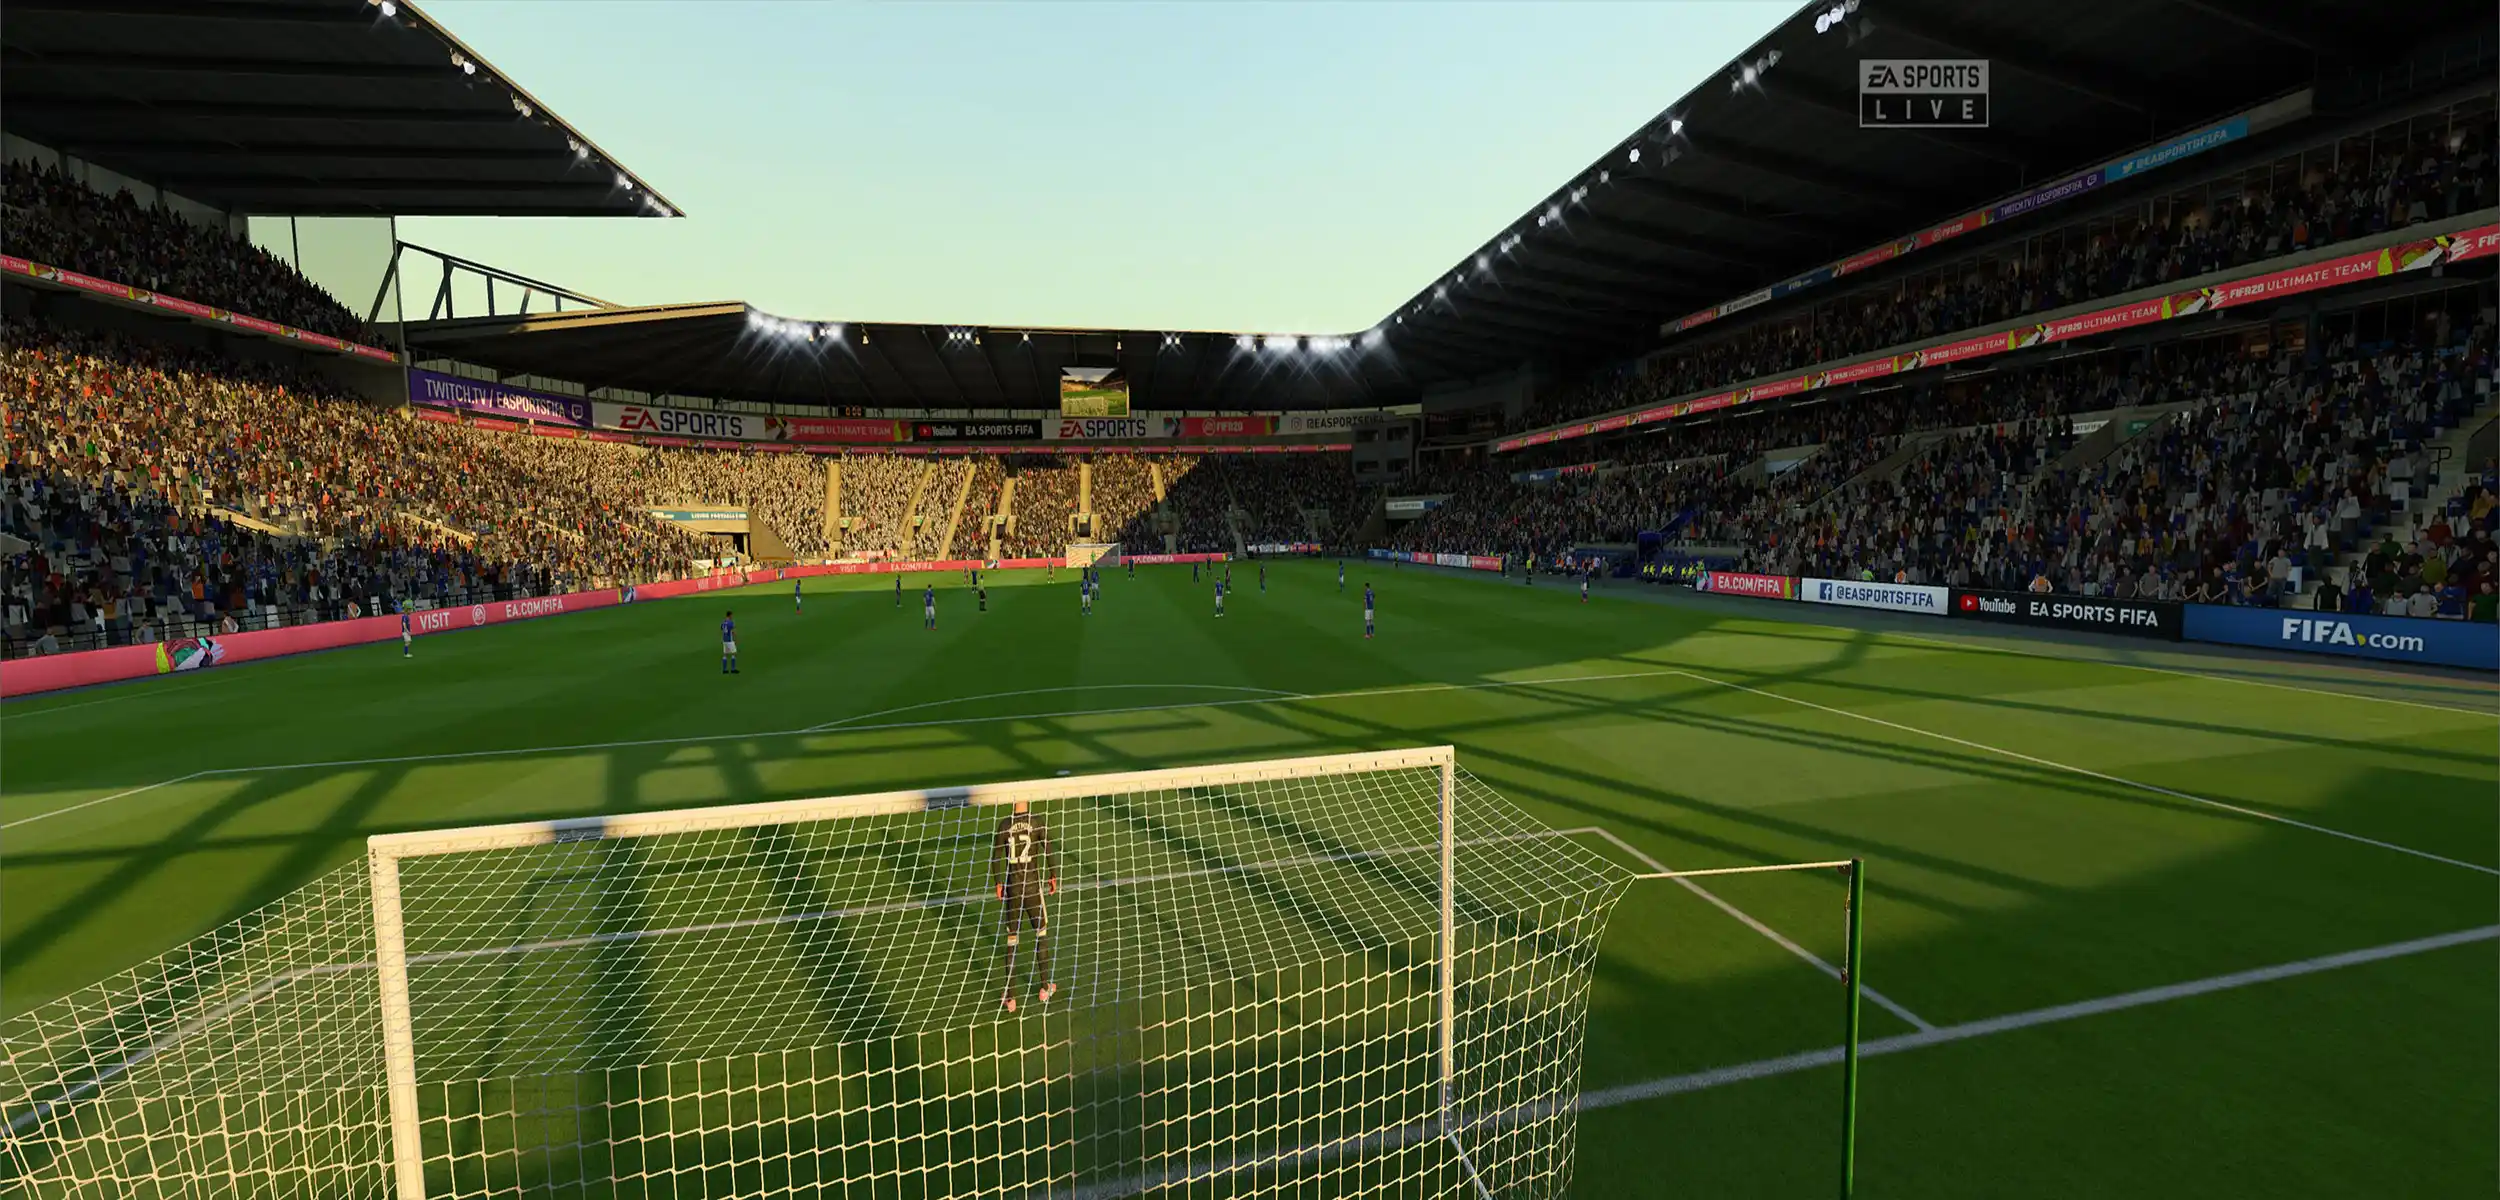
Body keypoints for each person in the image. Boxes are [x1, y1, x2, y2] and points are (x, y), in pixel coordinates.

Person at [991, 799, 1059, 1012]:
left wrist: (998, 882)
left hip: (1013, 889)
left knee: (1012, 940)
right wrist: (1053, 875)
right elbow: (1048, 850)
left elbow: (996, 857)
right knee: (1041, 933)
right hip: (1032, 889)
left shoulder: (1004, 825)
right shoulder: (1037, 822)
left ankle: (1010, 998)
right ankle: (1044, 987)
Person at [720, 609, 738, 674]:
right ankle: (733, 669)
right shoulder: (731, 622)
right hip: (730, 640)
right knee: (734, 653)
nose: (732, 616)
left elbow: (722, 629)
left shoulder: (723, 622)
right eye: (731, 615)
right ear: (729, 615)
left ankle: (724, 669)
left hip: (724, 640)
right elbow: (733, 631)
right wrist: (736, 638)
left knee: (725, 654)